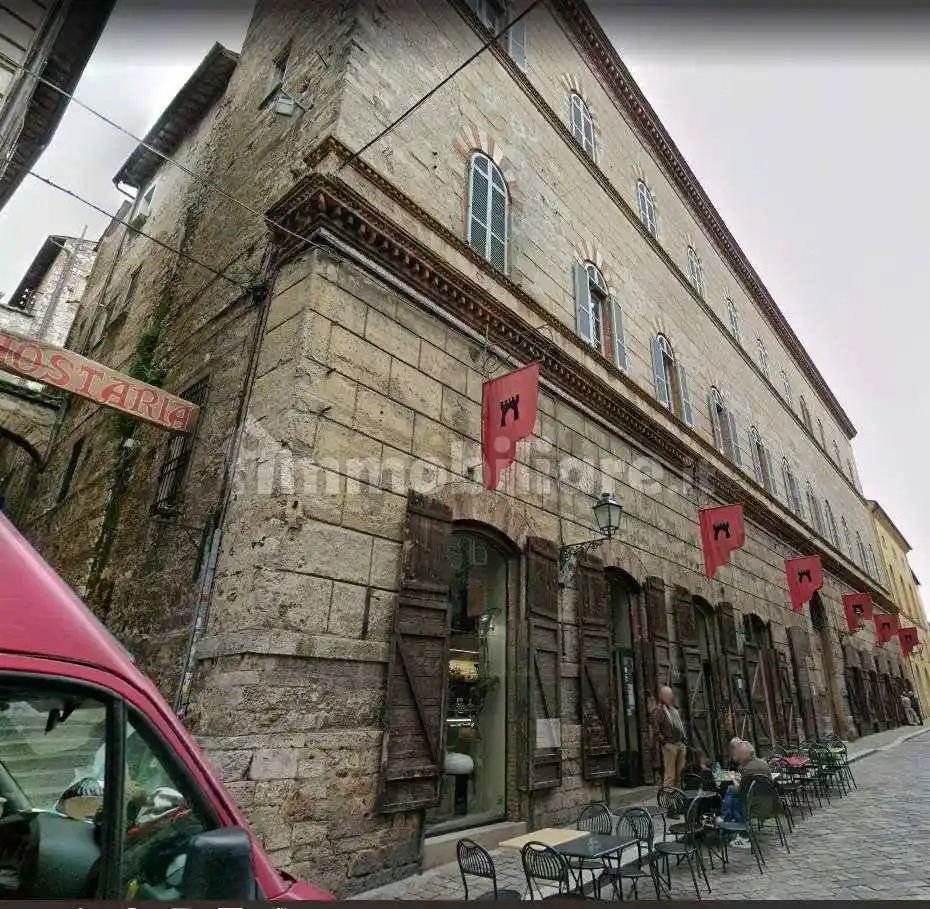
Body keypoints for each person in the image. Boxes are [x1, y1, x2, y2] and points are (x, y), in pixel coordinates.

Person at [720, 741, 772, 850]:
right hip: (768, 802)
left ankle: (738, 831)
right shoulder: (763, 763)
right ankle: (729, 823)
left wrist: (735, 781)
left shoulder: (748, 769)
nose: (738, 757)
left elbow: (742, 791)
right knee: (733, 795)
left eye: (739, 755)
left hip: (754, 805)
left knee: (733, 796)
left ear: (744, 755)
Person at [651, 685, 687, 789]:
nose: (670, 696)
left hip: (680, 743)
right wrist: (665, 743)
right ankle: (668, 799)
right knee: (670, 775)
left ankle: (678, 797)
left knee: (680, 774)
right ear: (662, 696)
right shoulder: (658, 711)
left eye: (670, 694)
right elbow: (656, 730)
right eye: (667, 694)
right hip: (670, 745)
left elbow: (680, 725)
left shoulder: (674, 709)